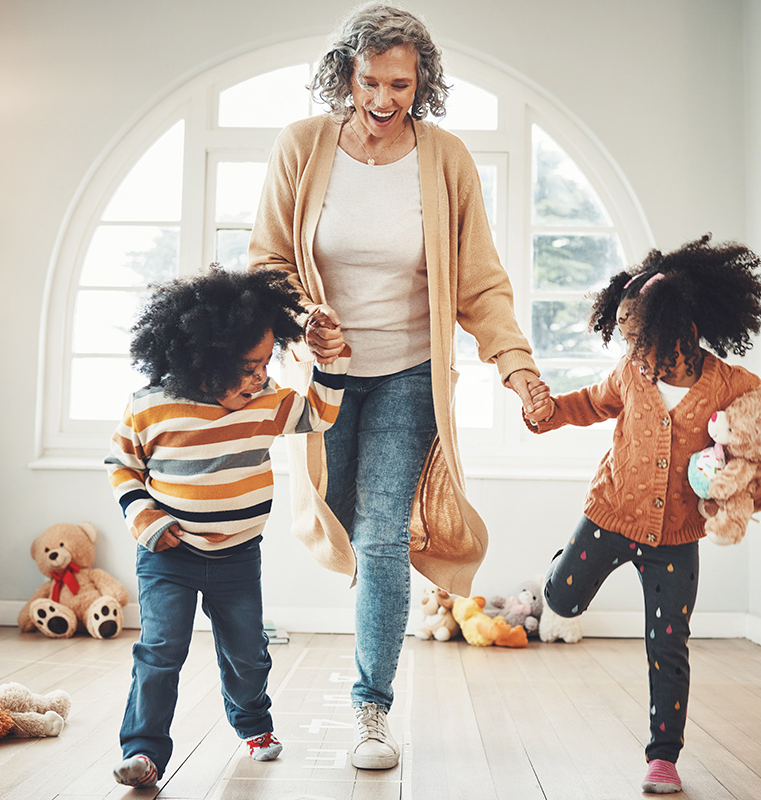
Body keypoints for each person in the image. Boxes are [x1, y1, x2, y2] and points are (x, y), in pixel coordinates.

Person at [248, 2, 543, 770]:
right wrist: (306, 314)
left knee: (382, 538)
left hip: (411, 374)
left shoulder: (444, 160)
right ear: (346, 72)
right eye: (371, 80)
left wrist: (515, 365)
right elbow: (267, 259)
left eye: (402, 85)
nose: (384, 100)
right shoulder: (304, 147)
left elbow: (480, 280)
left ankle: (371, 709)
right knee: (341, 517)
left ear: (424, 82)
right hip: (329, 376)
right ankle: (369, 654)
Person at [523, 235, 761, 795]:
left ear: (682, 328)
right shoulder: (630, 374)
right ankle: (552, 580)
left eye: (636, 334)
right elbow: (589, 403)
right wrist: (546, 413)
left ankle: (663, 757)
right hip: (609, 515)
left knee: (668, 642)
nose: (629, 345)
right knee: (562, 602)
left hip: (676, 538)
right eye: (623, 335)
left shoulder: (728, 384)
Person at [105, 266, 350, 788]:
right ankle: (144, 752)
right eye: (249, 366)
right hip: (169, 556)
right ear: (204, 361)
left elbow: (320, 416)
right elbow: (122, 466)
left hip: (238, 555)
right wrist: (144, 517)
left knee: (246, 652)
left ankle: (254, 724)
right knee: (161, 649)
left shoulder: (266, 403)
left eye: (266, 362)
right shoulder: (151, 407)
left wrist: (329, 359)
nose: (261, 376)